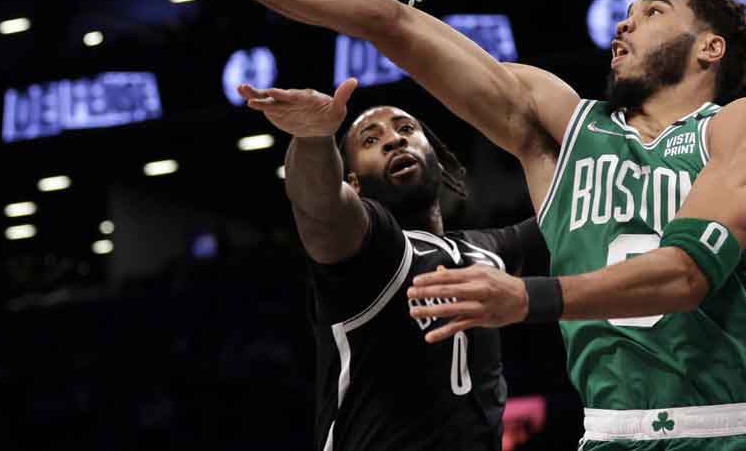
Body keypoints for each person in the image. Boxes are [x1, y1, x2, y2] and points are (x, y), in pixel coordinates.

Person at [98, 0, 746, 450]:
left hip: (725, 435)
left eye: (651, 13)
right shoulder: (560, 130)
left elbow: (685, 275)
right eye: (625, 13)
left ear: (710, 47)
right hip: (606, 438)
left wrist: (523, 297)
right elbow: (390, 23)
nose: (624, 26)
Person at [234, 77, 547, 451]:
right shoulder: (373, 249)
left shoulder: (487, 249)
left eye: (406, 129)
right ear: (354, 184)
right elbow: (321, 207)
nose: (394, 140)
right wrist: (313, 139)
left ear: (435, 156)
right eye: (371, 140)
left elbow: (573, 215)